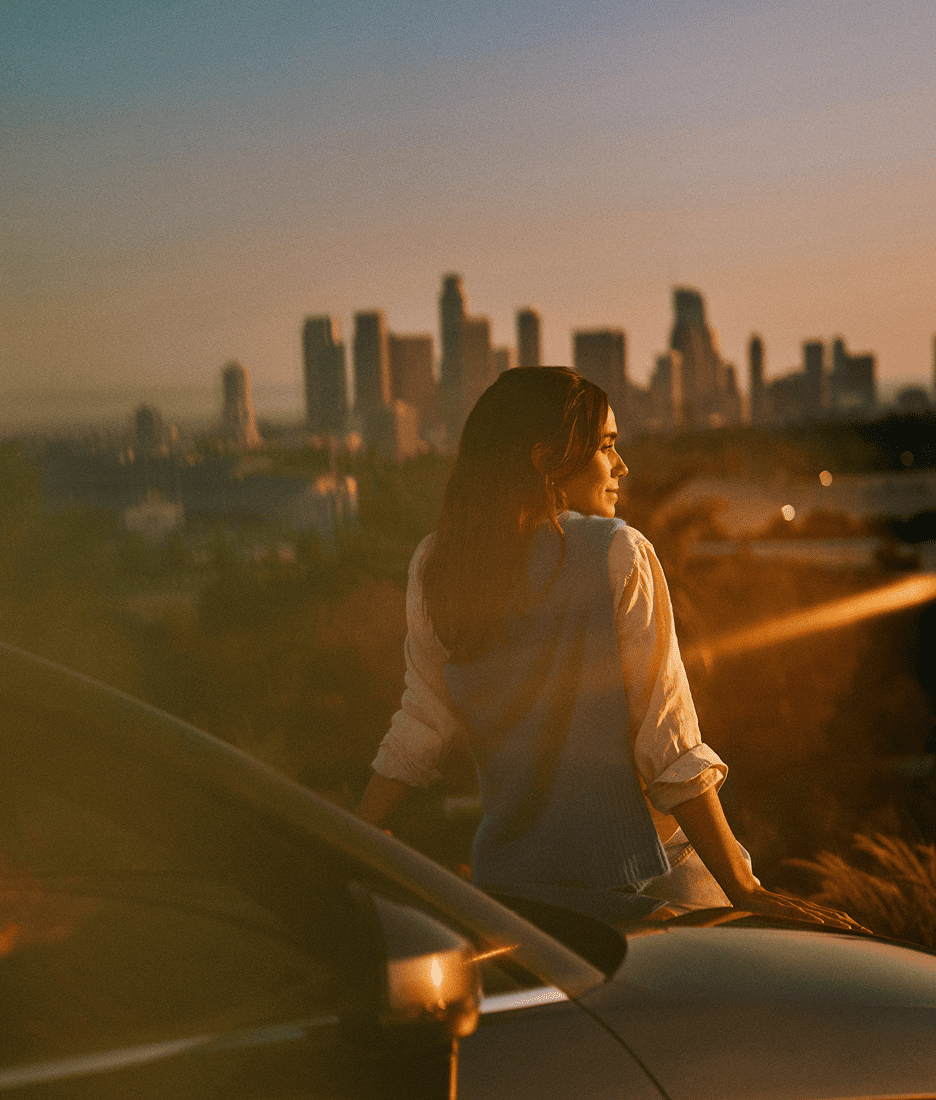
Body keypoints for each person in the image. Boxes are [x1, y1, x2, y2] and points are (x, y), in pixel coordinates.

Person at [357, 367, 860, 929]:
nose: (621, 467)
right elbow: (668, 746)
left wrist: (353, 837)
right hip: (655, 885)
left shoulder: (439, 564)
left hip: (518, 900)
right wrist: (741, 885)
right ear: (545, 459)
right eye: (606, 446)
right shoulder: (617, 551)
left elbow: (419, 726)